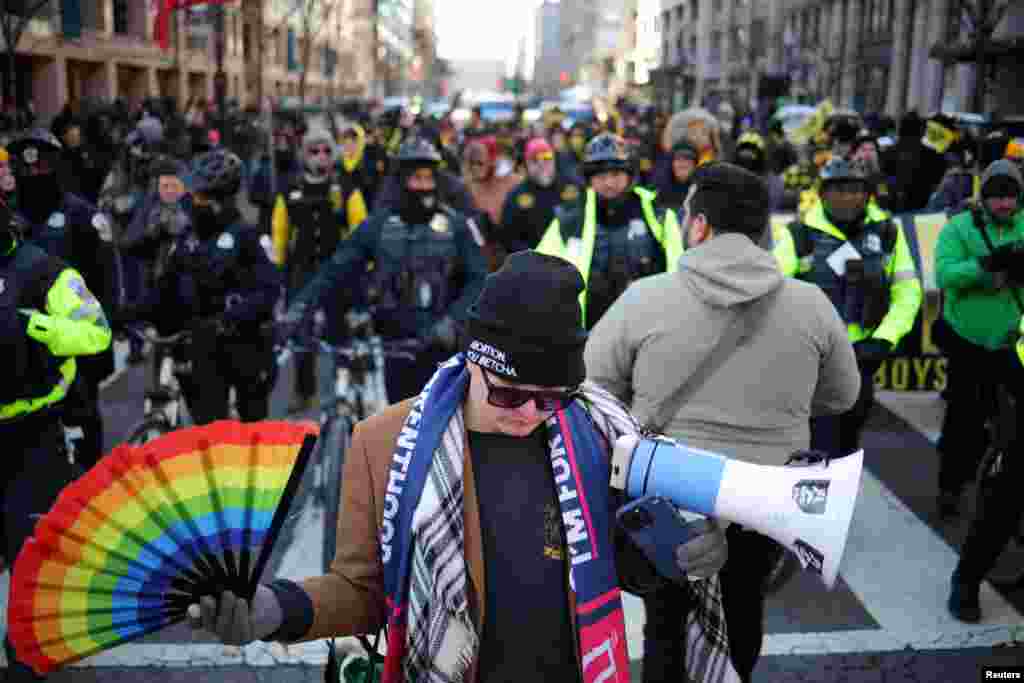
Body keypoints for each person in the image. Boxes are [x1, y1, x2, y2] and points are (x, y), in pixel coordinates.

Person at [189, 249, 735, 683]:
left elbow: (621, 565)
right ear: (476, 359)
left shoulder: (598, 432)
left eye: (551, 399)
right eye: (509, 394)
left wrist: (682, 556)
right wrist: (272, 610)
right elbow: (363, 591)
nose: (529, 414)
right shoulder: (383, 443)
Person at [585, 161, 861, 683]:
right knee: (743, 609)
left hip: (664, 493)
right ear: (763, 232)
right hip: (769, 501)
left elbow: (593, 391)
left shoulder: (643, 299)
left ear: (699, 226)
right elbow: (842, 398)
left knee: (665, 621)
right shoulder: (812, 305)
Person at [282, 137, 489, 403]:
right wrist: (299, 308)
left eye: (429, 178)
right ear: (402, 180)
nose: (423, 186)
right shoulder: (378, 225)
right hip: (393, 346)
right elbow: (335, 269)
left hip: (444, 346)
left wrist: (453, 321)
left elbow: (479, 280)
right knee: (396, 427)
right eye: (416, 178)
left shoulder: (456, 226)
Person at [0, 199, 112, 682]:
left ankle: (25, 651)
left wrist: (35, 326)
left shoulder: (44, 270)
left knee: (30, 550)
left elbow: (96, 334)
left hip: (32, 434)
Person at [112, 149, 281, 425]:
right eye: (194, 195)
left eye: (203, 197)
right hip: (202, 352)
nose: (195, 202)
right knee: (208, 434)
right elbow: (165, 291)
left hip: (246, 350)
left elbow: (268, 292)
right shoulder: (187, 239)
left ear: (222, 199)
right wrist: (124, 315)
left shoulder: (247, 237)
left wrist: (227, 319)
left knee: (253, 437)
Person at [774, 158, 923, 458]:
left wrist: (884, 338)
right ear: (822, 194)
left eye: (855, 190)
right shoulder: (799, 236)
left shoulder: (887, 234)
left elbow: (907, 290)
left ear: (867, 194)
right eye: (838, 190)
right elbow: (771, 289)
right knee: (814, 444)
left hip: (864, 354)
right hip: (813, 358)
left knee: (847, 441)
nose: (847, 198)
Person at [7, 128, 117, 472]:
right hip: (20, 356)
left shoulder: (82, 216)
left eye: (41, 168)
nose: (34, 175)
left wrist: (104, 341)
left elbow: (105, 279)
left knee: (83, 435)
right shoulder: (7, 219)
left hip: (73, 348)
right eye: (26, 170)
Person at [934, 159, 1024, 525]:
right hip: (968, 341)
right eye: (997, 196)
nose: (1004, 204)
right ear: (984, 198)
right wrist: (985, 266)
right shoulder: (959, 228)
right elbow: (945, 273)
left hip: (1015, 340)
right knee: (964, 422)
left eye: (1011, 197)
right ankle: (950, 489)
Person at [536, 132, 683, 329]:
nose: (608, 183)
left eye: (615, 174)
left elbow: (679, 270)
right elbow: (539, 268)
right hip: (587, 331)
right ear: (589, 178)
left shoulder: (658, 214)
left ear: (629, 174)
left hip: (648, 328)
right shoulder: (570, 218)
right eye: (600, 175)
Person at [271, 126, 367, 413]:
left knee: (340, 331)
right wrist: (278, 268)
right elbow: (279, 231)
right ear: (304, 155)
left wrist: (360, 265)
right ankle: (304, 392)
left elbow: (360, 229)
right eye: (314, 151)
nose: (321, 157)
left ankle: (343, 389)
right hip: (302, 272)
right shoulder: (289, 190)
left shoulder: (346, 187)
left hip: (337, 273)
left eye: (326, 150)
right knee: (301, 335)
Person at [497, 137, 583, 257]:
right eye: (534, 159)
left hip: (573, 258)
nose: (542, 163)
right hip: (535, 264)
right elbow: (508, 238)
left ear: (554, 159)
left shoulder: (573, 186)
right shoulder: (516, 197)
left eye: (547, 157)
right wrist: (534, 257)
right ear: (526, 163)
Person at [462, 135, 522, 271]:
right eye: (472, 163)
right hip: (478, 255)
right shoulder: (466, 185)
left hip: (508, 254)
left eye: (480, 163)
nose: (475, 167)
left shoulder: (513, 182)